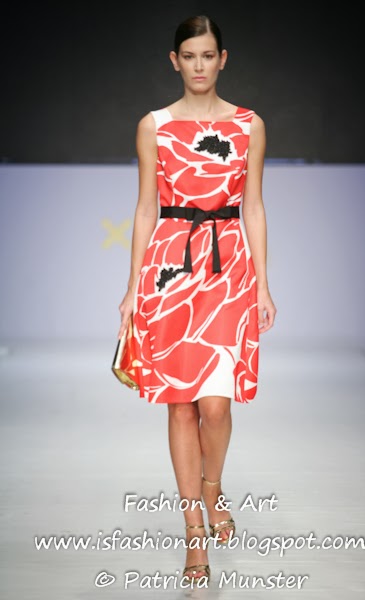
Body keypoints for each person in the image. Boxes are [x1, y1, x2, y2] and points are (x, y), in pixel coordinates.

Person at [117, 14, 277, 586]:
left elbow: (253, 205)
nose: (200, 65)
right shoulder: (154, 126)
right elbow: (145, 208)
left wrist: (263, 283)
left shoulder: (249, 125)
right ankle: (193, 535)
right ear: (175, 61)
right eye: (190, 56)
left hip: (229, 268)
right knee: (181, 404)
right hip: (170, 271)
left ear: (223, 59)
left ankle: (213, 489)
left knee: (216, 407)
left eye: (209, 55)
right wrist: (133, 288)